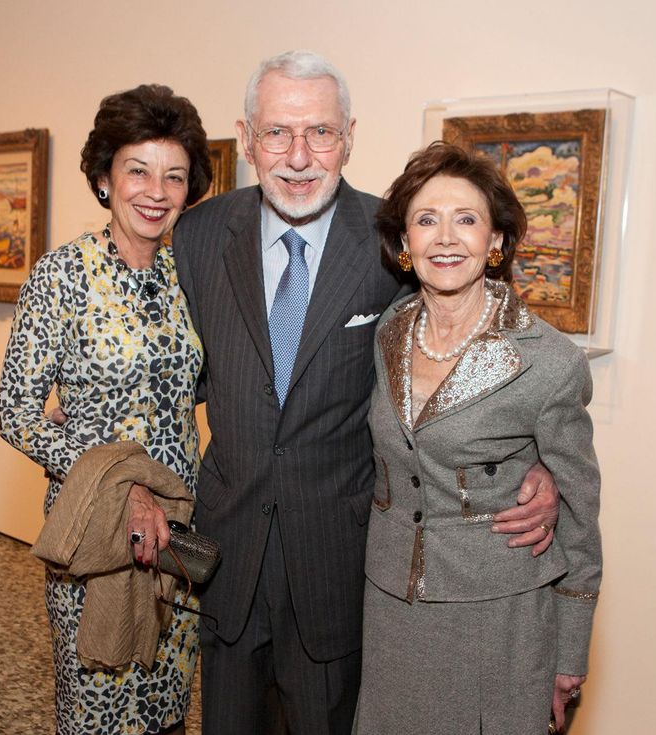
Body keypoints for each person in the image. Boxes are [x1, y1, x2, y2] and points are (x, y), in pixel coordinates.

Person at [172, 51, 562, 735]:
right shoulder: (200, 235)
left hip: (339, 562)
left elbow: (486, 339)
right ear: (246, 137)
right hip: (227, 555)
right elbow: (173, 361)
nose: (298, 156)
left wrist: (536, 459)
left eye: (320, 132)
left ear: (349, 135)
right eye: (277, 133)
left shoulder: (393, 237)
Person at [353, 142, 601, 734]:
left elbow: (580, 515)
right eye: (426, 219)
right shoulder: (388, 330)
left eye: (466, 219)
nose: (445, 237)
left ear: (495, 242)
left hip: (501, 620)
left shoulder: (549, 362)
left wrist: (569, 655)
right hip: (392, 608)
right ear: (403, 244)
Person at [0, 84, 212, 735]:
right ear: (103, 176)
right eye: (137, 169)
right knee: (100, 705)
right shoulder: (62, 277)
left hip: (177, 530)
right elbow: (16, 411)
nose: (156, 190)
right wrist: (113, 476)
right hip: (93, 527)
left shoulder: (191, 277)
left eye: (174, 175)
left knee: (167, 703)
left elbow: (193, 384)